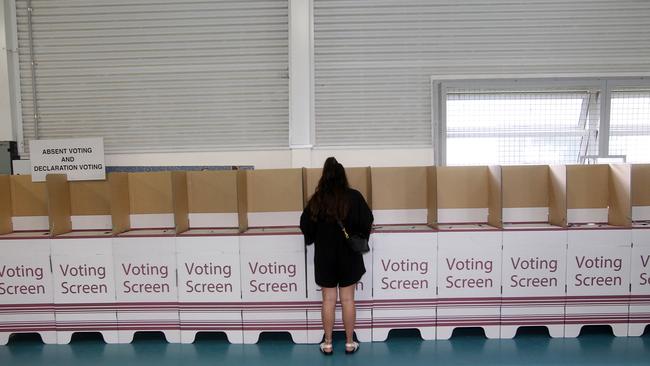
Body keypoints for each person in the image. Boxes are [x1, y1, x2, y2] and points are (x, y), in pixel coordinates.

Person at [300, 157, 373, 355]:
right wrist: (359, 236)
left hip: (325, 257)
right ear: (343, 176)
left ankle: (328, 343)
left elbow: (305, 226)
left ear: (324, 176)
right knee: (348, 300)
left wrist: (314, 236)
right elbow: (368, 220)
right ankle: (350, 342)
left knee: (328, 300)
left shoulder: (317, 199)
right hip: (349, 256)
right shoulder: (354, 197)